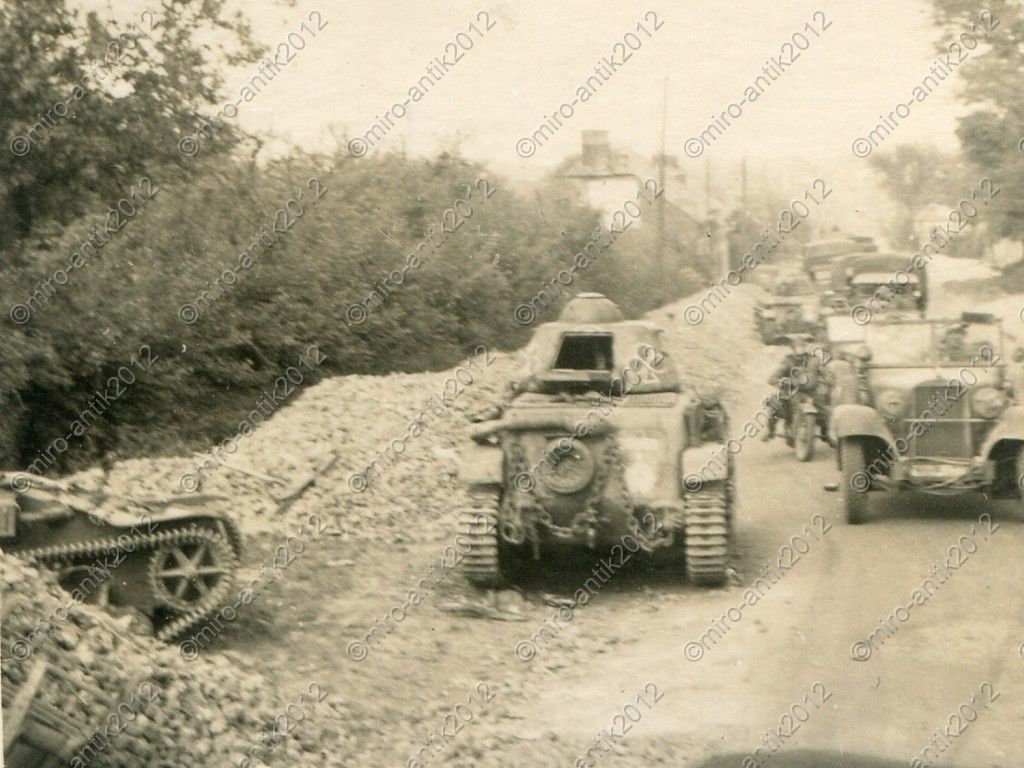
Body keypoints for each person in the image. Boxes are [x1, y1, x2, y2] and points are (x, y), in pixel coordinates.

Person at [763, 335, 821, 441]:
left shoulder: (813, 360)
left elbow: (824, 374)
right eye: (797, 347)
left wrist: (822, 380)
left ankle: (829, 433)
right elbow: (775, 375)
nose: (800, 350)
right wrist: (779, 381)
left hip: (811, 392)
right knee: (775, 403)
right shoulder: (788, 361)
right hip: (792, 392)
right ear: (793, 348)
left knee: (825, 407)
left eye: (802, 347)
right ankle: (770, 431)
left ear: (805, 347)